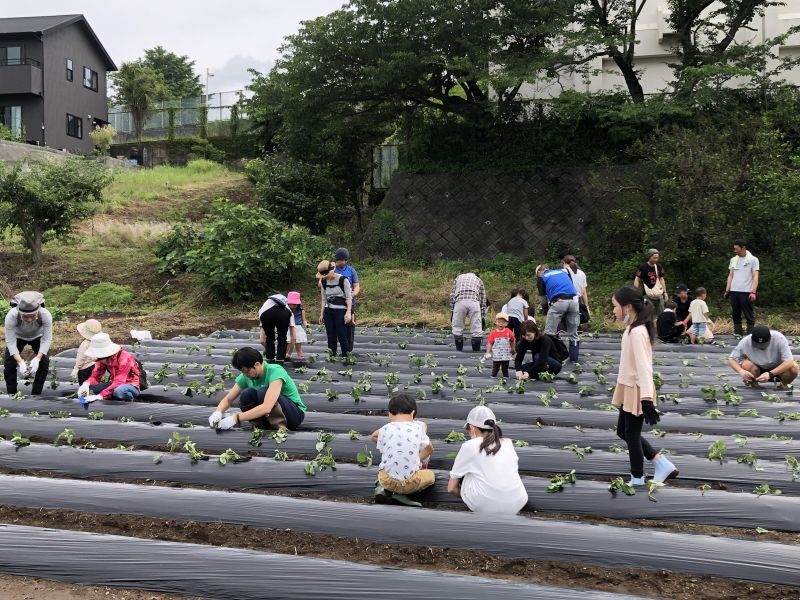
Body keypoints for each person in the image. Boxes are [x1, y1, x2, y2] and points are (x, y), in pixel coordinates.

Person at [611, 286, 678, 486]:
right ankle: (660, 463)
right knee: (623, 431)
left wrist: (647, 399)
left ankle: (638, 478)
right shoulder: (632, 328)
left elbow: (644, 367)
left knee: (631, 434)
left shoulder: (638, 332)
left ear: (628, 307)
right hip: (628, 385)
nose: (613, 310)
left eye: (615, 306)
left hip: (637, 389)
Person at [448, 405, 528, 514]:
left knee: (466, 475)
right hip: (518, 502)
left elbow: (451, 488)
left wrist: (468, 498)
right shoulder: (508, 443)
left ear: (472, 428)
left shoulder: (469, 446)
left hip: (486, 507)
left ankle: (482, 505)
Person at [209, 346, 307, 431]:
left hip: (293, 415)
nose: (245, 375)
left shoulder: (275, 371)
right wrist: (218, 412)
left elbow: (267, 407)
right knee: (246, 394)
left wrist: (235, 418)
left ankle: (280, 427)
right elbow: (228, 399)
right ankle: (261, 426)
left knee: (263, 392)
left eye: (246, 371)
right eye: (242, 372)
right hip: (270, 416)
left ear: (257, 364)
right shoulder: (245, 377)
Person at [371, 393, 434, 506]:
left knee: (384, 467)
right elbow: (429, 449)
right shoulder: (418, 428)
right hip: (409, 483)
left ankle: (382, 489)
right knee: (431, 476)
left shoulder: (386, 428)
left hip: (386, 481)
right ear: (413, 413)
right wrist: (417, 459)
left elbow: (373, 436)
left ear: (390, 414)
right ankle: (402, 495)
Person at [4, 291, 52, 396]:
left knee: (44, 363)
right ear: (19, 312)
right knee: (9, 364)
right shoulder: (11, 316)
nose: (29, 319)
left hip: (37, 336)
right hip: (18, 337)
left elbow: (47, 339)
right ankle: (12, 394)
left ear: (38, 311)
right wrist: (20, 361)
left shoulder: (45, 314)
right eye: (25, 317)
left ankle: (36, 394)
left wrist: (38, 358)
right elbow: (10, 342)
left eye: (32, 316)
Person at [728, 325, 798, 388]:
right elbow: (732, 359)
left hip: (778, 370)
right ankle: (755, 386)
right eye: (757, 344)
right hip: (757, 369)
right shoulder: (745, 341)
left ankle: (784, 385)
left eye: (764, 344)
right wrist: (741, 371)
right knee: (746, 365)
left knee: (793, 368)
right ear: (751, 338)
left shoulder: (779, 338)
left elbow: (789, 361)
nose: (761, 347)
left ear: (770, 338)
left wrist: (770, 374)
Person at [78, 333, 141, 402]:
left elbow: (119, 381)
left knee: (119, 392)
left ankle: (130, 400)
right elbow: (95, 376)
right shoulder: (101, 359)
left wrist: (100, 396)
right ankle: (112, 396)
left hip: (130, 385)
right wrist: (86, 384)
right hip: (114, 383)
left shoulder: (124, 357)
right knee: (92, 390)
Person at [536, 264, 580, 362]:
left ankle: (553, 357)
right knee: (573, 333)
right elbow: (570, 286)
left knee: (549, 332)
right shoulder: (563, 272)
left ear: (539, 272)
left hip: (559, 301)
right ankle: (574, 360)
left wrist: (546, 311)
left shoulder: (542, 278)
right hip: (574, 301)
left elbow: (543, 299)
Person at [317, 260, 353, 357]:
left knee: (342, 334)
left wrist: (348, 312)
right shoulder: (324, 282)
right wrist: (321, 314)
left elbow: (349, 298)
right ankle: (332, 356)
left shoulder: (343, 280)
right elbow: (323, 299)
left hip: (341, 310)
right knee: (331, 335)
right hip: (329, 311)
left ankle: (346, 356)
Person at [724, 240, 759, 336]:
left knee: (748, 313)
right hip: (734, 290)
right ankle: (738, 334)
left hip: (746, 291)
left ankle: (750, 335)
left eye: (737, 248)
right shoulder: (733, 260)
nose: (735, 250)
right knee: (735, 313)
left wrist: (753, 291)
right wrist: (727, 290)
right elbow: (730, 275)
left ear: (743, 248)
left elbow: (755, 276)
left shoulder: (753, 260)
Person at [449, 272, 487, 352]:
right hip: (474, 302)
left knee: (457, 327)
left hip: (460, 301)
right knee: (476, 328)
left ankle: (459, 350)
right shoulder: (479, 280)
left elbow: (452, 295)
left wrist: (452, 311)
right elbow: (483, 299)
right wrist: (482, 316)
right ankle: (476, 351)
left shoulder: (458, 278)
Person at [333, 248, 361, 351]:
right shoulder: (332, 270)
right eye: (341, 260)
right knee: (337, 328)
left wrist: (352, 294)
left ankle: (349, 350)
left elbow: (357, 286)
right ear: (337, 259)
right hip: (336, 304)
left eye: (345, 260)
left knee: (349, 327)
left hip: (349, 303)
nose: (344, 262)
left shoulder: (351, 270)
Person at [258, 294, 296, 362]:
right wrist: (288, 354)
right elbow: (294, 337)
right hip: (283, 314)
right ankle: (280, 362)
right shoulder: (289, 311)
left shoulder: (264, 308)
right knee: (282, 339)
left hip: (266, 314)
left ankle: (270, 361)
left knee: (269, 338)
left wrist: (269, 351)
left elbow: (262, 340)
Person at [633, 249, 668, 317]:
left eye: (657, 258)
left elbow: (661, 279)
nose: (656, 259)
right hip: (647, 294)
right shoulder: (643, 267)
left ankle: (660, 326)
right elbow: (637, 279)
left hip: (658, 294)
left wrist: (665, 292)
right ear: (649, 257)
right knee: (648, 313)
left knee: (661, 314)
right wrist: (636, 292)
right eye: (654, 257)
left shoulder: (658, 267)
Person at [485, 312, 515, 378]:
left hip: (506, 354)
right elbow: (489, 343)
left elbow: (512, 340)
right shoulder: (493, 333)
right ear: (495, 322)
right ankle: (493, 376)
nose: (501, 324)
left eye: (503, 322)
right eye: (499, 322)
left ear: (506, 323)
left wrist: (513, 348)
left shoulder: (508, 331)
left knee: (505, 367)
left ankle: (506, 377)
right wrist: (487, 352)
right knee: (496, 367)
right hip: (497, 354)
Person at [72, 319, 102, 384]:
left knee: (84, 385)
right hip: (96, 366)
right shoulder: (98, 342)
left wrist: (76, 368)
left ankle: (84, 393)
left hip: (85, 368)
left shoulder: (85, 344)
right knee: (94, 383)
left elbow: (81, 358)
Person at [565, 256, 590, 326]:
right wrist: (587, 306)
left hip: (565, 299)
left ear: (565, 263)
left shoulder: (563, 272)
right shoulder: (582, 273)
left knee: (567, 322)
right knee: (576, 319)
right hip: (576, 299)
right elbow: (583, 293)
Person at [284, 291, 307, 360]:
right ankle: (285, 356)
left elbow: (304, 320)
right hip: (288, 328)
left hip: (298, 328)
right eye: (293, 303)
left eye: (296, 304)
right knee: (288, 343)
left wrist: (306, 325)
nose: (294, 305)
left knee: (298, 345)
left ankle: (300, 358)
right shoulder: (285, 310)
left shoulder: (301, 310)